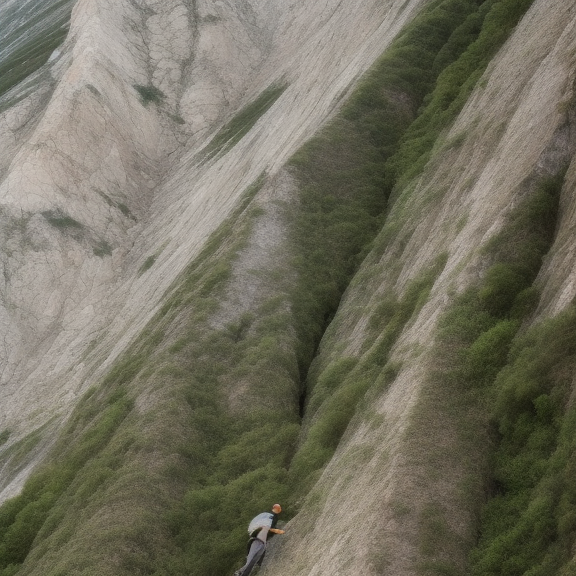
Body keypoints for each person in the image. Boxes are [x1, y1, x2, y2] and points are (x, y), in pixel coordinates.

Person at [233, 504, 285, 576]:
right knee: (251, 559)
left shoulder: (268, 517)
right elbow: (267, 527)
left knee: (253, 560)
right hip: (257, 540)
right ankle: (239, 572)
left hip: (258, 540)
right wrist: (277, 531)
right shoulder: (269, 518)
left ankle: (242, 573)